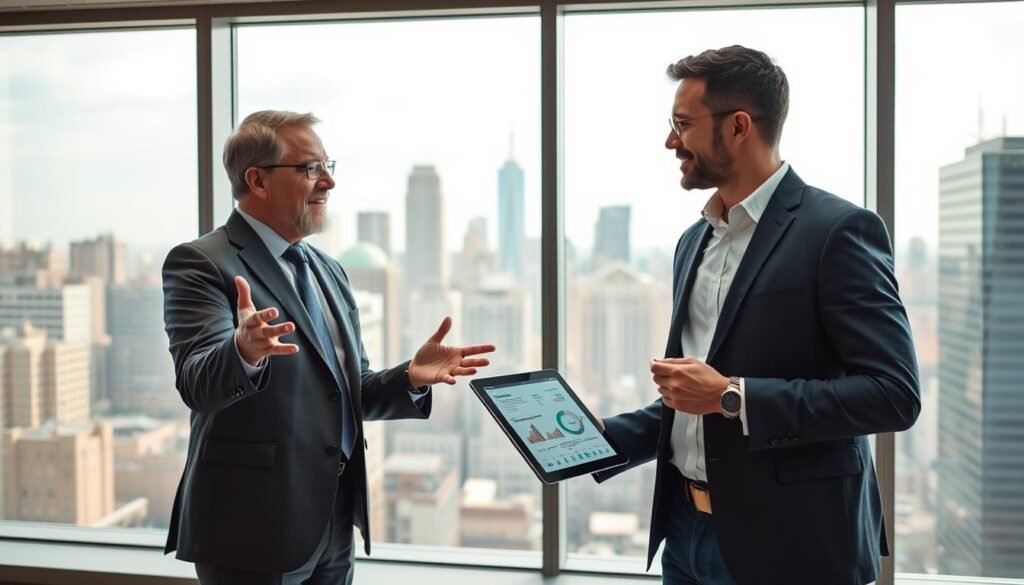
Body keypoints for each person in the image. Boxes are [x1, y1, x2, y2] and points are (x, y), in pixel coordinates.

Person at [593, 46, 921, 585]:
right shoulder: (692, 242)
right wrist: (601, 437)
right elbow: (693, 397)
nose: (670, 142)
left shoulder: (838, 232)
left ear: (739, 126)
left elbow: (893, 394)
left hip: (794, 548)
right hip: (684, 535)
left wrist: (733, 396)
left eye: (682, 125)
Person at [162, 110, 495, 585]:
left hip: (334, 522)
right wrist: (244, 350)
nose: (329, 182)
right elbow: (198, 383)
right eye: (310, 168)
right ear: (256, 180)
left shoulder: (327, 269)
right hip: (251, 528)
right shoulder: (199, 262)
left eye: (327, 165)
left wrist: (409, 378)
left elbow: (346, 391)